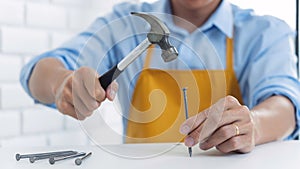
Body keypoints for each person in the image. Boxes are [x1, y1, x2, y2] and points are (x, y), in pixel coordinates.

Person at [20, 0, 300, 154]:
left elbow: (286, 105)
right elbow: (37, 72)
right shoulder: (125, 23)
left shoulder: (264, 31)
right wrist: (62, 84)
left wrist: (255, 124)